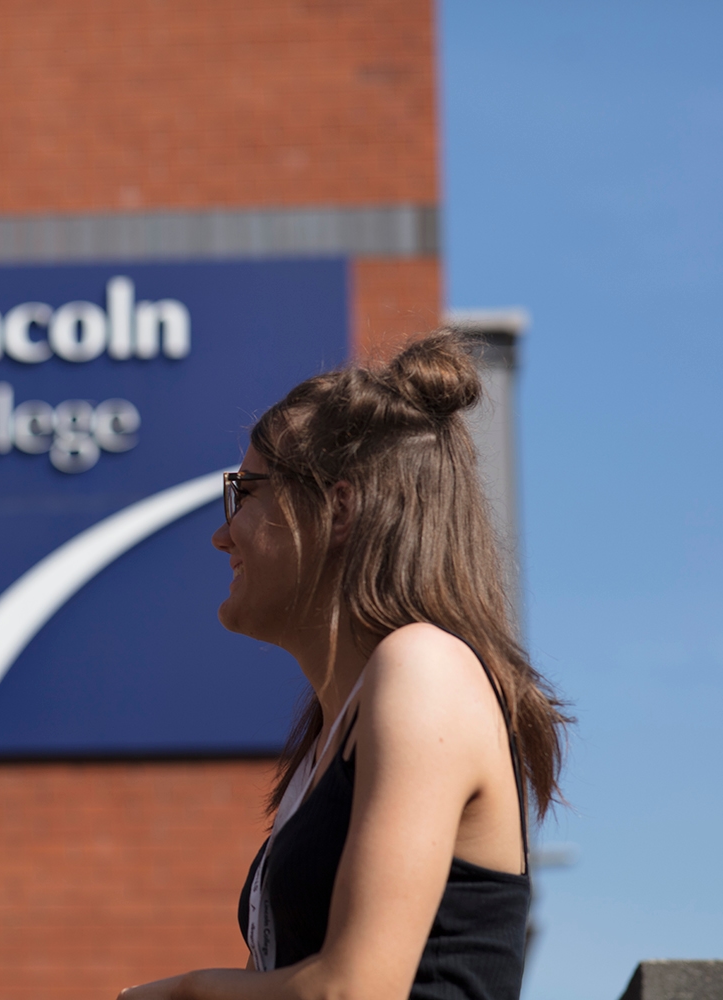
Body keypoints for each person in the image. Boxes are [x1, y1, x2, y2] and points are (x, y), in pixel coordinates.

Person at [119, 333, 570, 1000]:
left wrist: (181, 993)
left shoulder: (425, 670)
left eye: (245, 491)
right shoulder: (336, 731)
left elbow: (354, 989)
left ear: (337, 508)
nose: (223, 532)